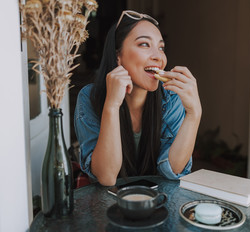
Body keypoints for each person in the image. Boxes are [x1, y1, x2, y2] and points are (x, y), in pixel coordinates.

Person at [74, 10, 202, 186]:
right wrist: (111, 106)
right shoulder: (90, 97)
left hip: (157, 202)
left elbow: (172, 171)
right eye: (144, 44)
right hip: (106, 205)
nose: (158, 56)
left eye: (161, 47)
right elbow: (106, 177)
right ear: (118, 56)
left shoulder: (171, 98)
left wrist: (194, 113)